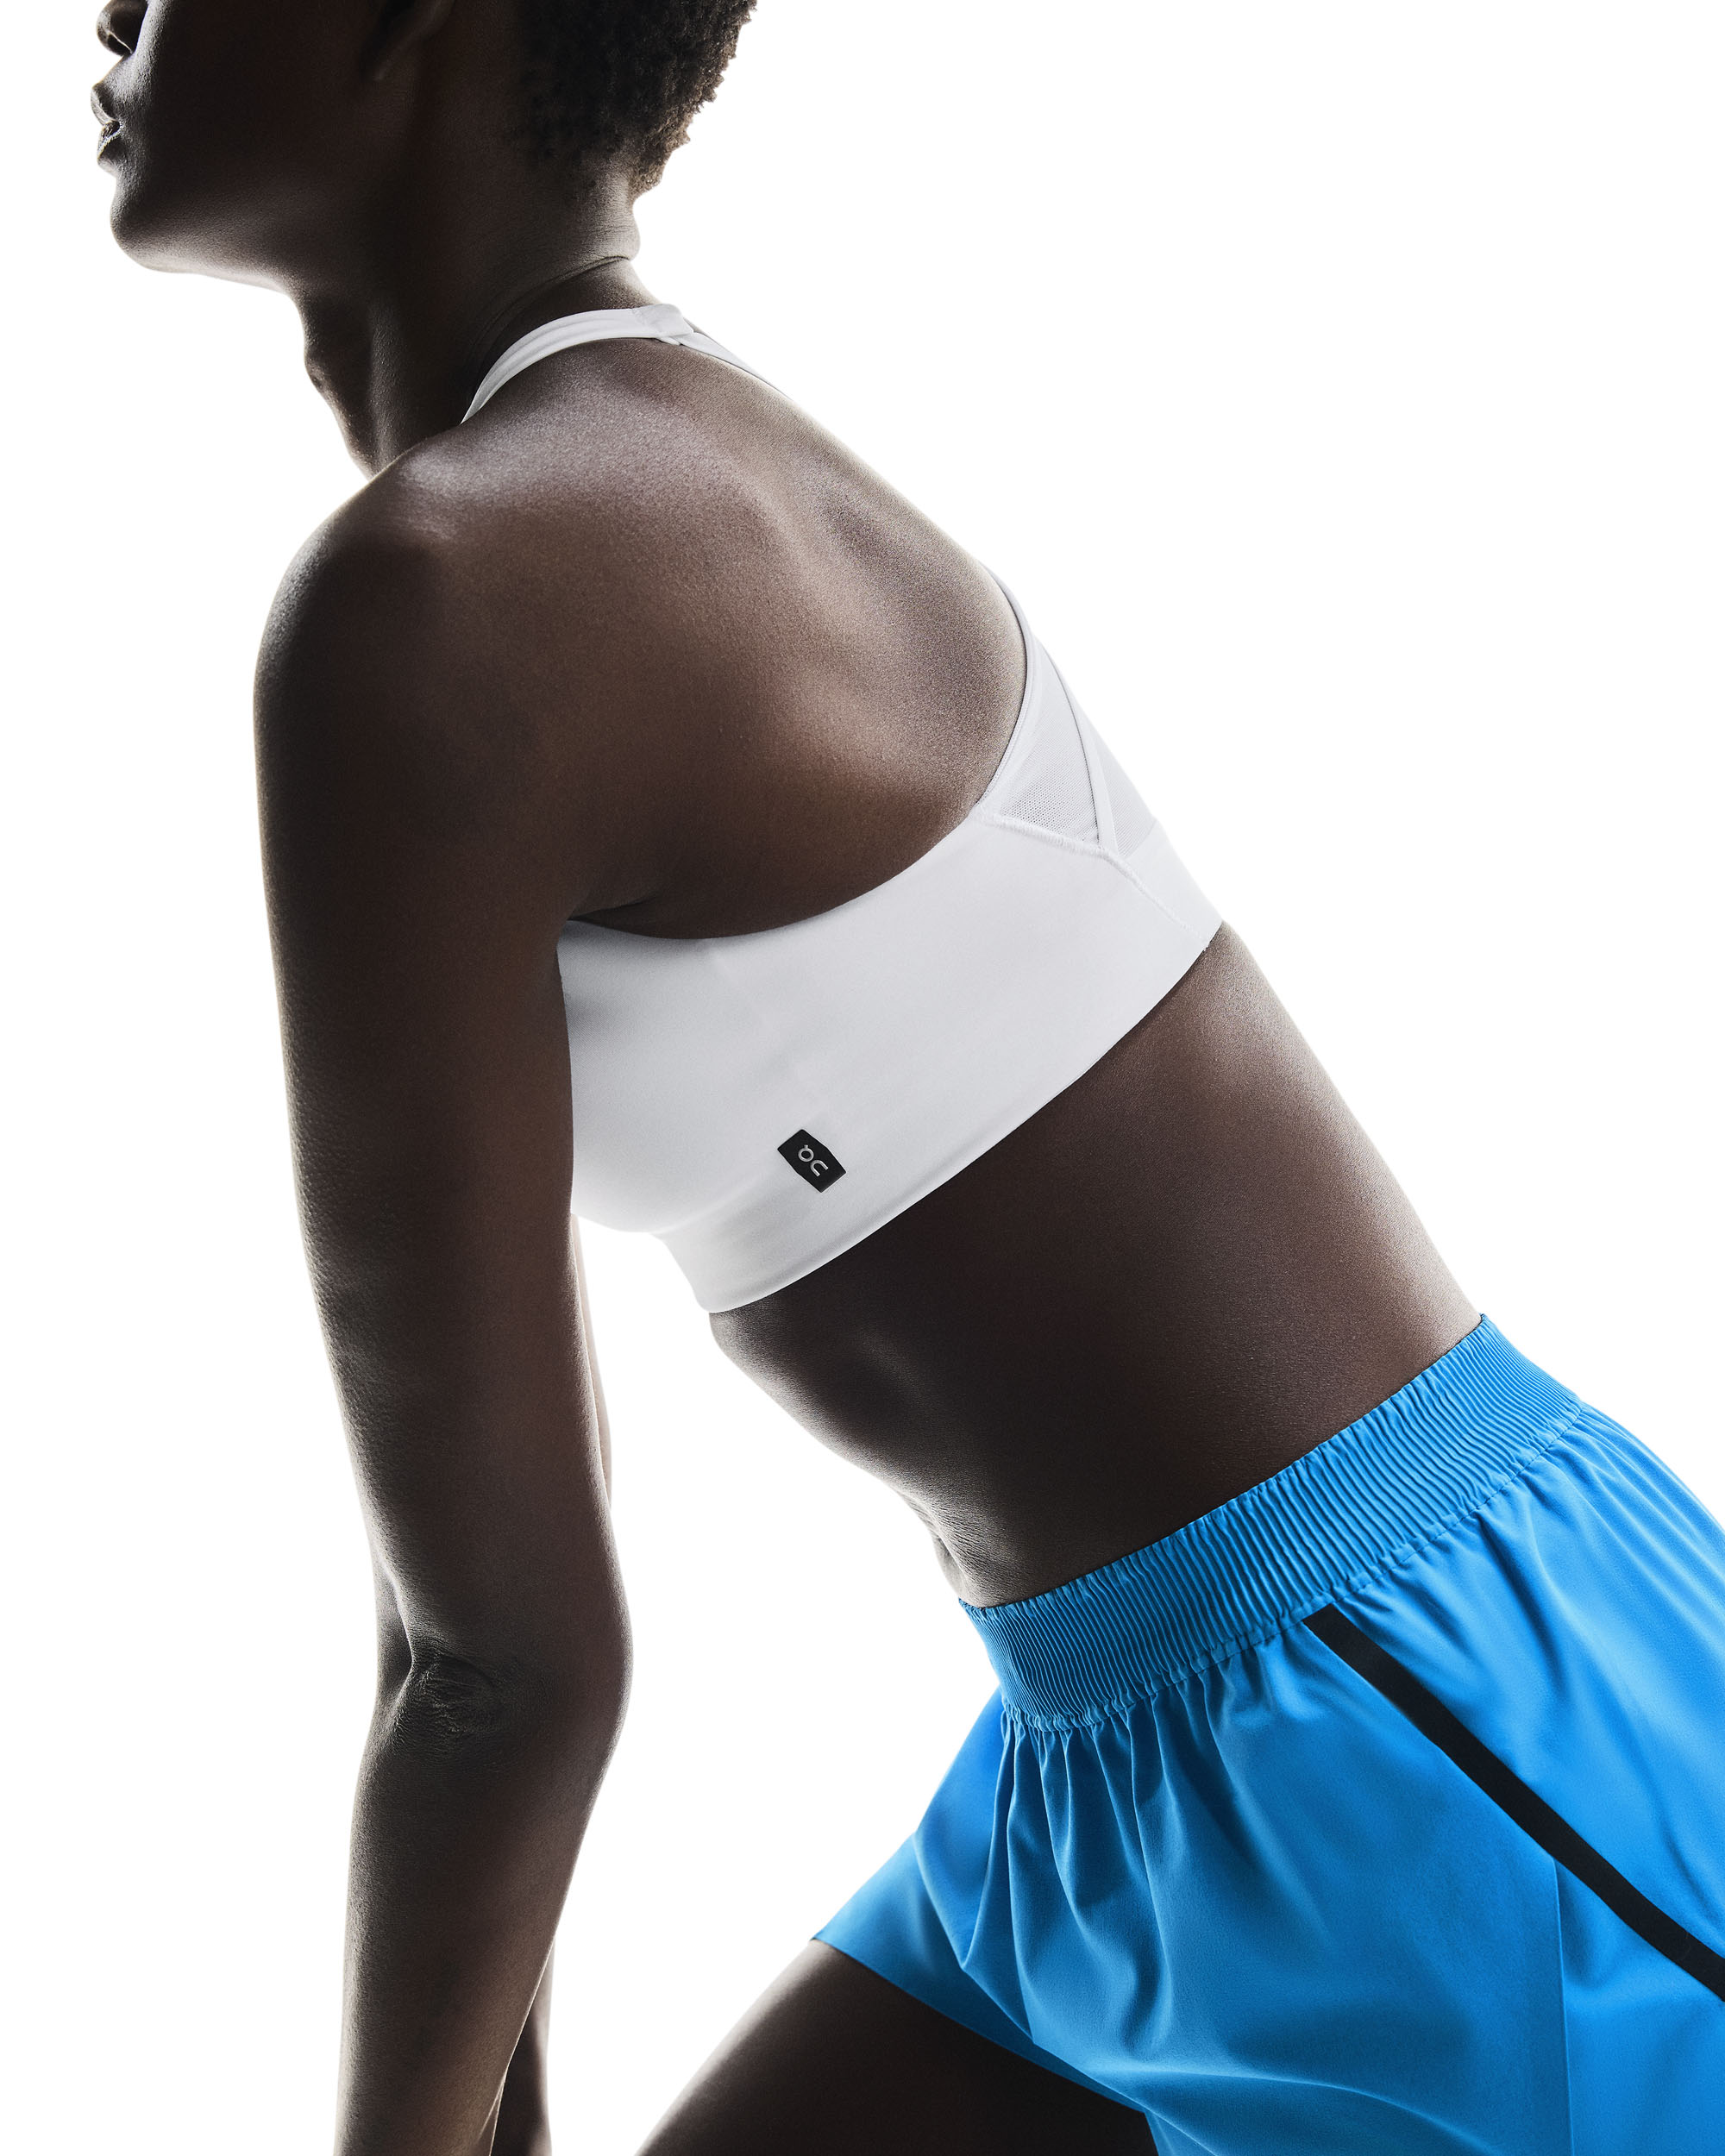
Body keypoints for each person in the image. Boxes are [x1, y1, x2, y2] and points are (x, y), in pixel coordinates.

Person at [91, 2, 1725, 2150]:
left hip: (1445, 1748)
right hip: (1111, 1764)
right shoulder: (565, 513)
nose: (109, 11)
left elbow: (503, 1667)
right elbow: (473, 1620)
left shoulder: (469, 587)